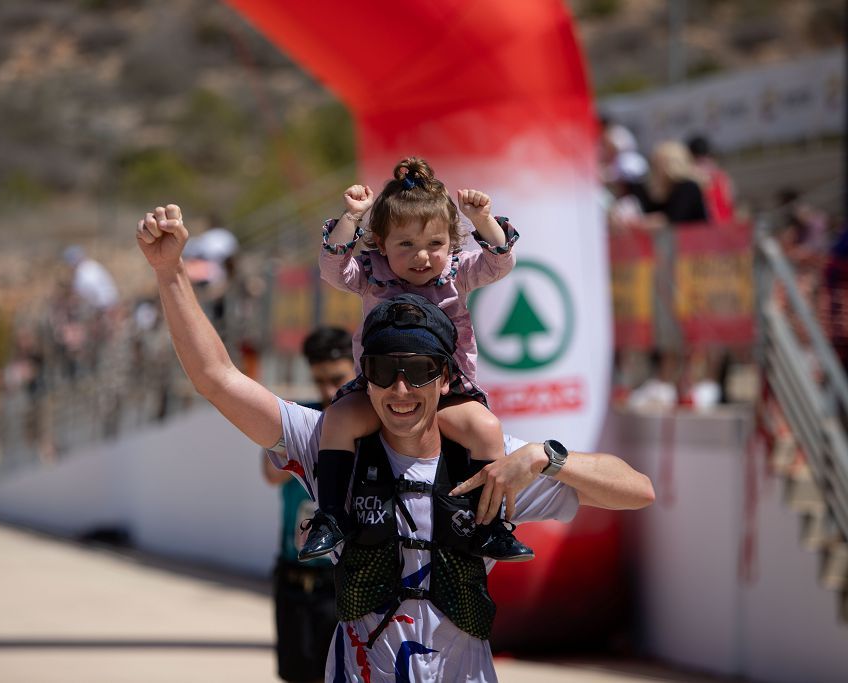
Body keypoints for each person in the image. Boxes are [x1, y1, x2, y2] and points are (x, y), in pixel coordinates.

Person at [135, 203, 655, 683]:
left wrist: (546, 456)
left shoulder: (489, 463)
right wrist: (170, 273)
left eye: (419, 371)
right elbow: (216, 378)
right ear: (364, 375)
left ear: (448, 378)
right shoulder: (328, 445)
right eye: (383, 371)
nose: (400, 390)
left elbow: (636, 490)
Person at [303, 157, 530, 565]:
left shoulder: (457, 274)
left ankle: (489, 527)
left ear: (453, 243)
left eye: (435, 244)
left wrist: (482, 218)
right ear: (381, 242)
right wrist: (350, 218)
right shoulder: (372, 274)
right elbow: (333, 268)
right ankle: (331, 516)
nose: (421, 257)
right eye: (405, 244)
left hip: (447, 391)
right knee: (337, 419)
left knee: (486, 428)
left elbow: (500, 261)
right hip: (380, 388)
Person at [261, 327, 355, 683]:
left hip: (344, 581)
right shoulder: (306, 420)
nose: (329, 391)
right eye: (320, 381)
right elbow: (270, 474)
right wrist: (321, 431)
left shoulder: (370, 423)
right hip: (293, 576)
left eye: (338, 379)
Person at [686, 134, 736, 225]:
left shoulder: (691, 174)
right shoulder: (721, 174)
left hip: (708, 227)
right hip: (727, 223)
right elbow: (730, 199)